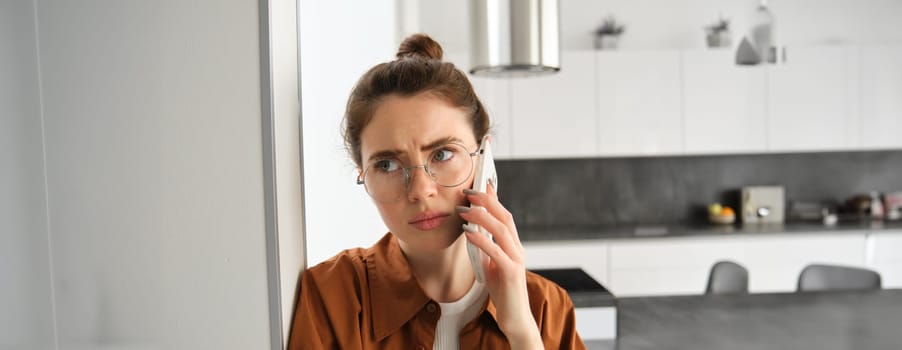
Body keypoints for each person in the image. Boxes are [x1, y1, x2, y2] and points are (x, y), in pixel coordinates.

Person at [288, 33, 585, 350]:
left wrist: (522, 333)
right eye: (387, 165)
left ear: (484, 158)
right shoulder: (330, 298)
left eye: (442, 154)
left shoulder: (547, 309)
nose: (420, 191)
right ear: (362, 174)